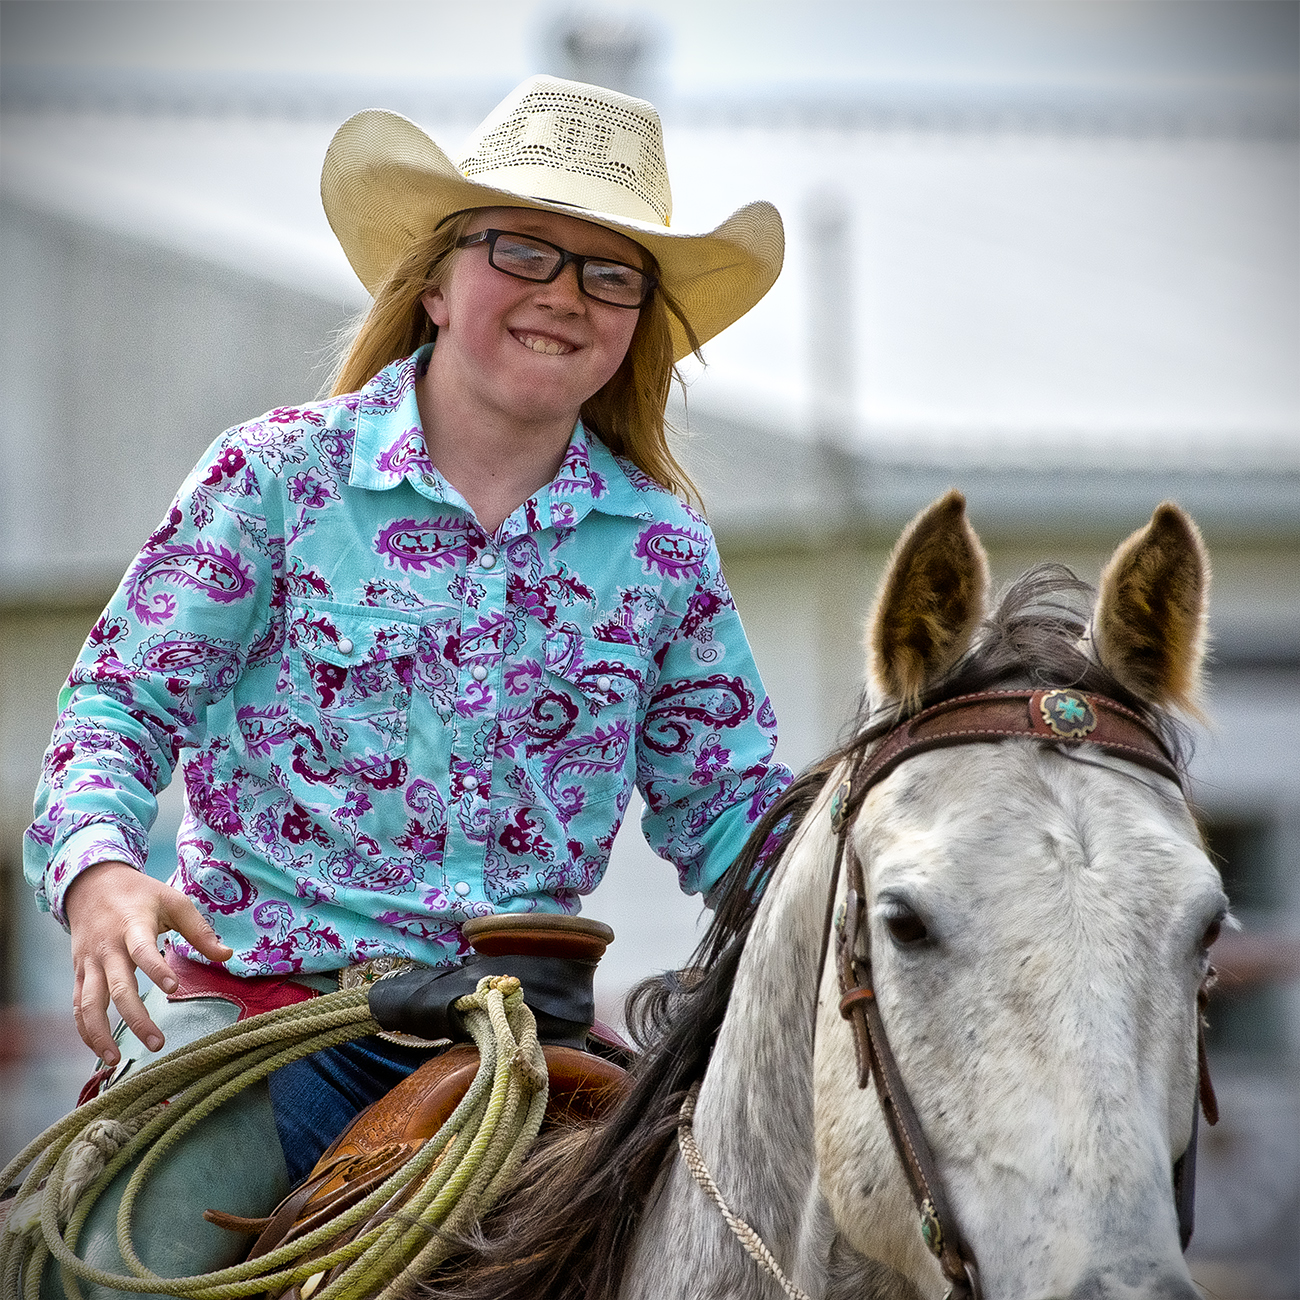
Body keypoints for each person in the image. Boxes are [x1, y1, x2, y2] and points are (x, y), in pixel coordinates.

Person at [23, 73, 791, 1229]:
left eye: (610, 271)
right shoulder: (275, 479)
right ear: (435, 281)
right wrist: (100, 871)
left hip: (527, 1045)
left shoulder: (664, 552)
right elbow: (118, 707)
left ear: (637, 319)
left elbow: (732, 814)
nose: (566, 295)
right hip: (262, 1025)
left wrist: (896, 861)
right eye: (524, 251)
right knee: (108, 1247)